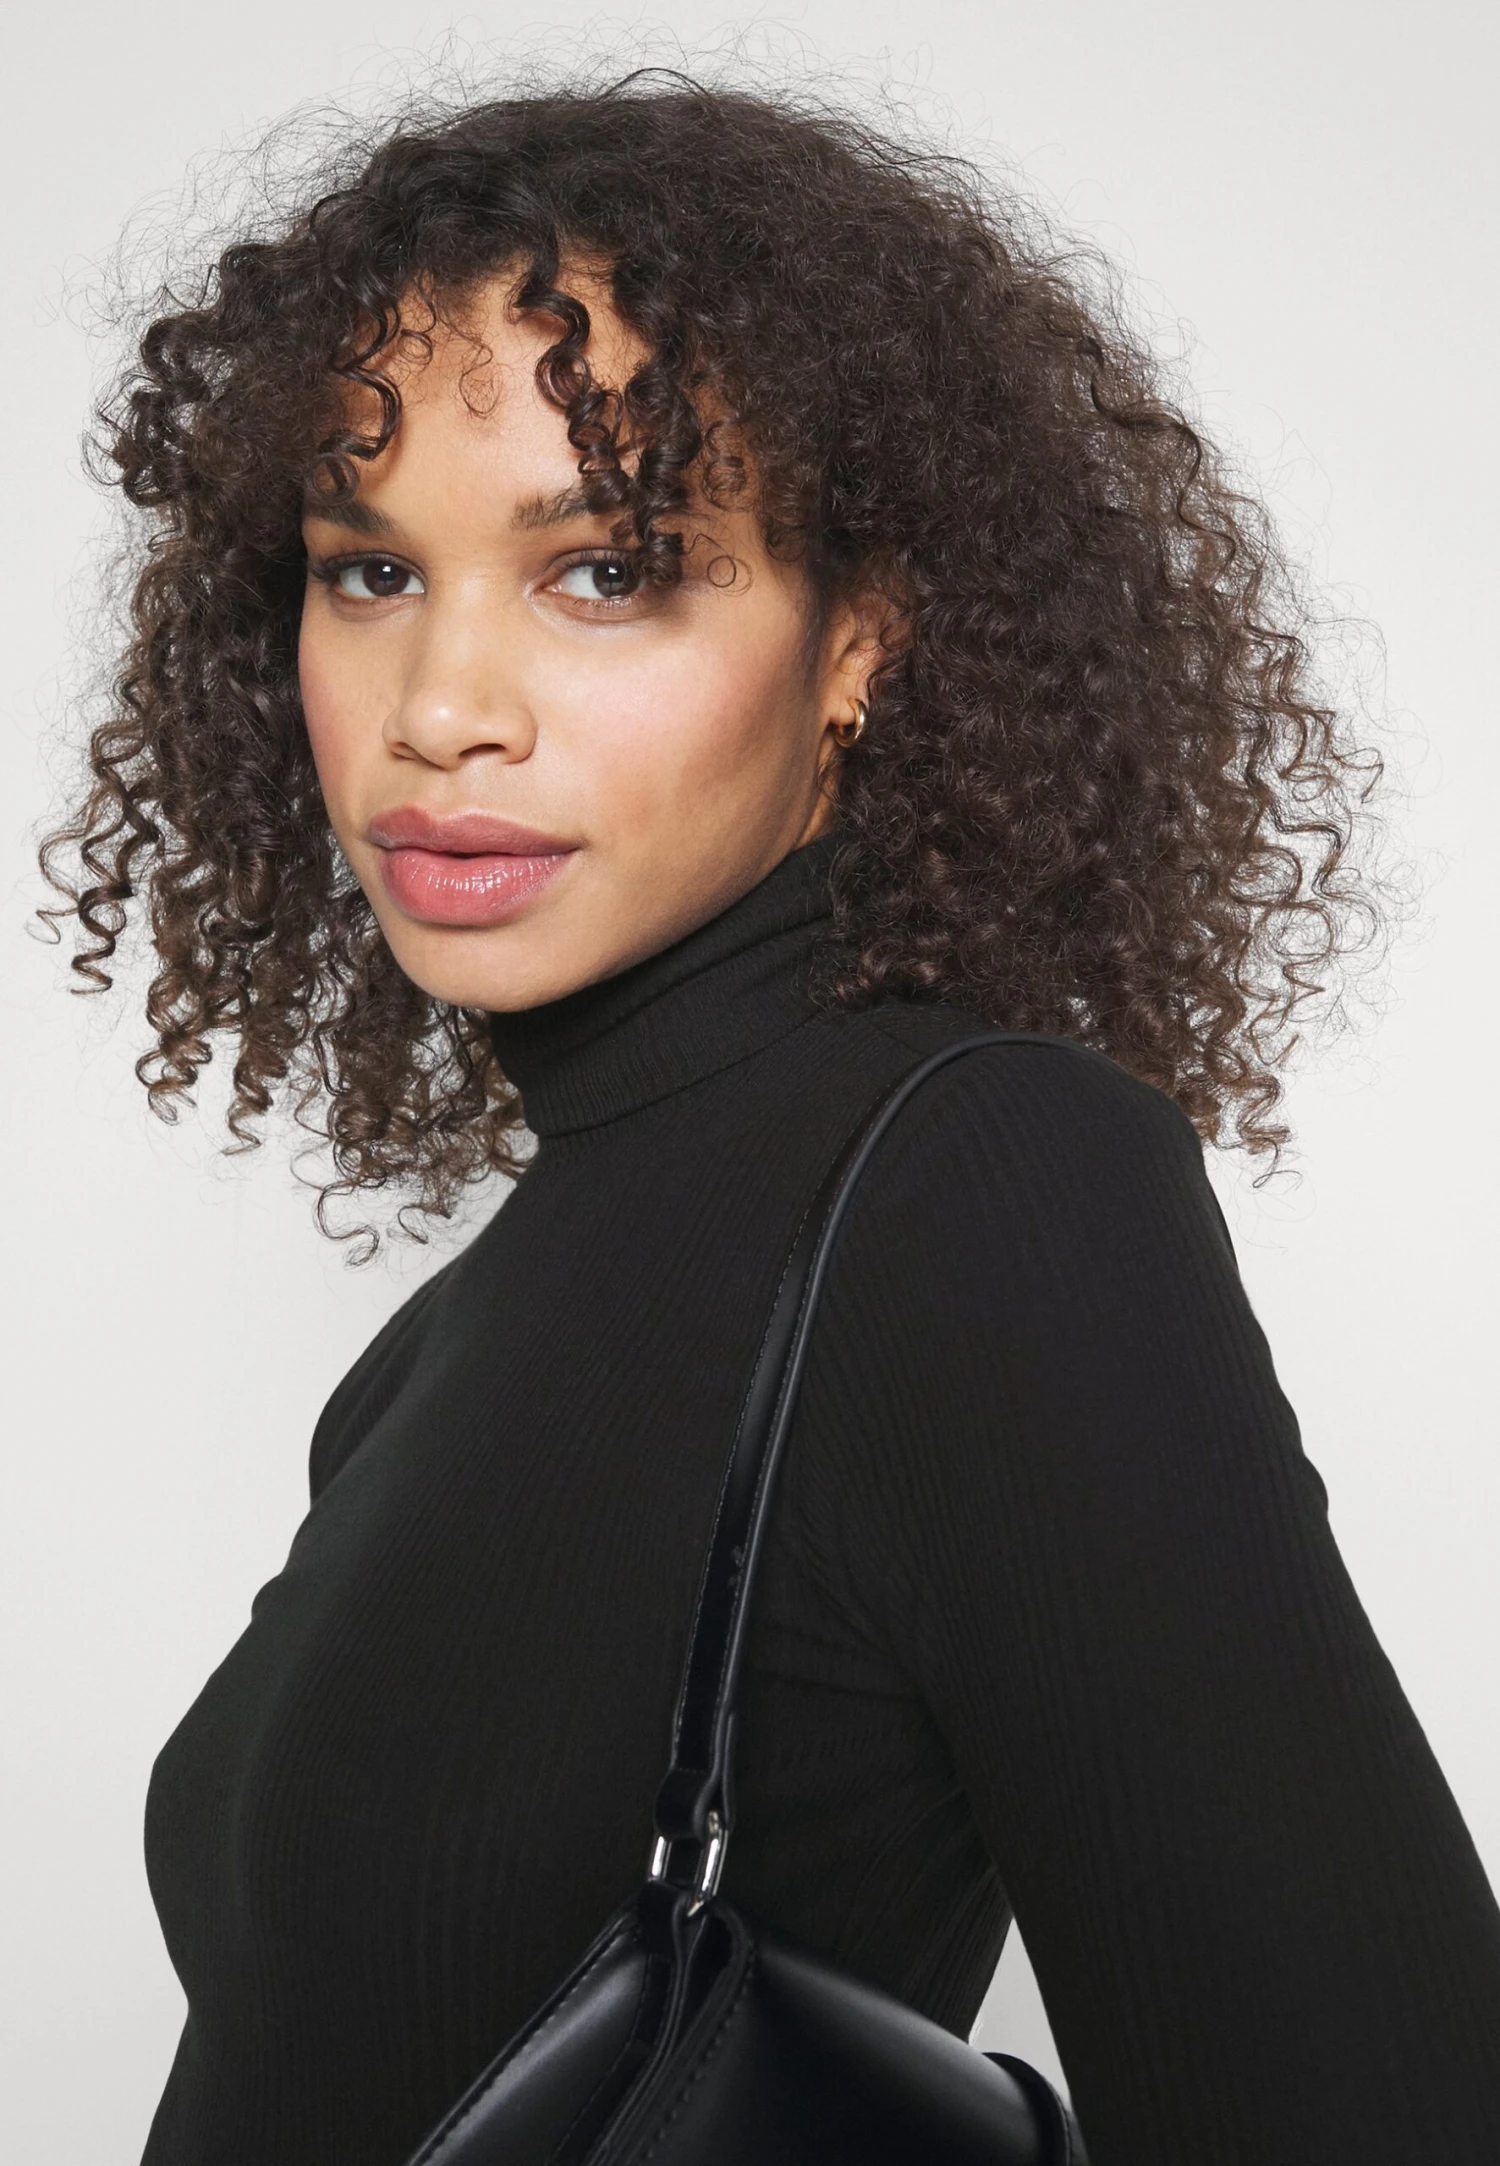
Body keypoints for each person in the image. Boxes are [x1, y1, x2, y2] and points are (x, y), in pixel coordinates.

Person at [41, 72, 1500, 2166]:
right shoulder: (469, 1320)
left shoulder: (981, 1195)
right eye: (369, 573)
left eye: (604, 569)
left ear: (859, 642)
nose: (441, 707)